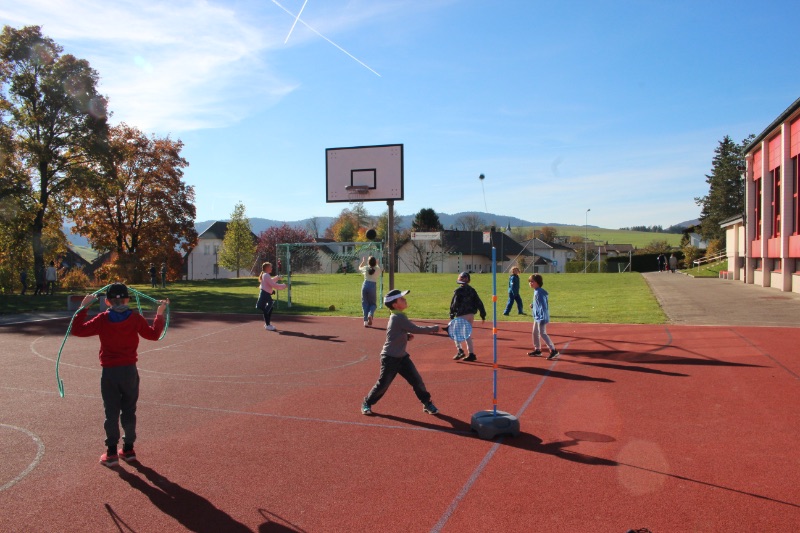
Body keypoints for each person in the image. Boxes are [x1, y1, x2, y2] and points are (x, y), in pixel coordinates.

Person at [70, 283, 169, 466]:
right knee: (129, 410)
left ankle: (111, 452)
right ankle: (128, 448)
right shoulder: (135, 318)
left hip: (110, 372)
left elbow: (77, 330)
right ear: (128, 300)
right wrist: (160, 314)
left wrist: (83, 307)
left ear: (107, 302)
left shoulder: (103, 319)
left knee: (111, 411)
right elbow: (154, 335)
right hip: (129, 371)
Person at [361, 289, 440, 416]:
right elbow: (416, 329)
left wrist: (406, 336)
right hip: (390, 358)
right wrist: (435, 328)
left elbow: (394, 333)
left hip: (402, 357)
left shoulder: (397, 316)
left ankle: (427, 403)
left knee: (417, 381)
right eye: (401, 299)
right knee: (383, 384)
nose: (405, 300)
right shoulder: (398, 317)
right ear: (395, 304)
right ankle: (367, 402)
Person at [449, 271, 486, 362]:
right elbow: (479, 302)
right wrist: (482, 314)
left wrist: (452, 313)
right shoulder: (472, 290)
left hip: (462, 315)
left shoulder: (458, 291)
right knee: (467, 334)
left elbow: (454, 304)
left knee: (455, 333)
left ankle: (460, 350)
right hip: (471, 315)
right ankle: (471, 354)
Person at [527, 274, 559, 360]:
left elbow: (543, 306)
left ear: (537, 282)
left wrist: (542, 317)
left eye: (532, 281)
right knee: (535, 333)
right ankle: (537, 350)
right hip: (537, 316)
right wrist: (533, 305)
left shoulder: (539, 292)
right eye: (529, 281)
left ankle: (553, 350)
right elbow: (538, 303)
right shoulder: (536, 291)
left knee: (542, 333)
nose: (530, 283)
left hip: (541, 317)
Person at [256, 262, 286, 331]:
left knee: (269, 308)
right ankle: (267, 325)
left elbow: (270, 281)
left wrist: (277, 278)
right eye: (270, 267)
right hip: (265, 294)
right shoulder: (266, 275)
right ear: (267, 268)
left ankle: (267, 324)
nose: (272, 268)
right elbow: (273, 285)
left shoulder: (265, 275)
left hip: (265, 294)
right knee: (268, 308)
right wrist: (284, 286)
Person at [358, 256, 382, 327]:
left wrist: (363, 261)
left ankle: (365, 321)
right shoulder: (377, 269)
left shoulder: (366, 268)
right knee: (373, 304)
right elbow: (381, 269)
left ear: (368, 262)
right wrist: (377, 263)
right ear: (375, 262)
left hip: (365, 285)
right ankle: (370, 314)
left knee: (365, 303)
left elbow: (359, 268)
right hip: (372, 286)